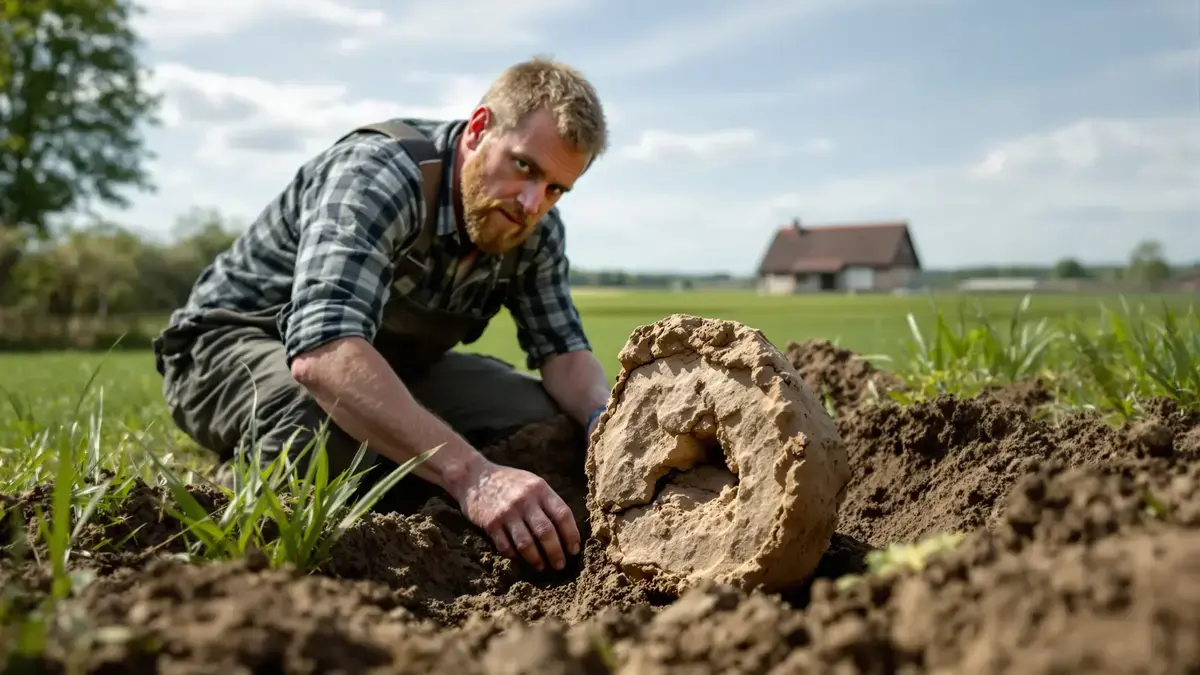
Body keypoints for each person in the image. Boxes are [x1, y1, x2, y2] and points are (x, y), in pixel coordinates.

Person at [151, 56, 613, 574]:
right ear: (480, 128)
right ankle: (227, 504)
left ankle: (395, 473)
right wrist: (475, 477)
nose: (532, 203)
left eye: (555, 188)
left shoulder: (534, 229)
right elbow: (322, 354)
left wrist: (605, 424)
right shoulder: (379, 174)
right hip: (233, 346)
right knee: (321, 429)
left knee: (547, 422)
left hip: (386, 364)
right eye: (525, 166)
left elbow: (564, 354)